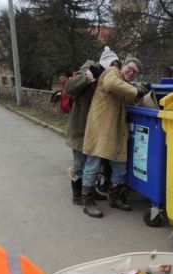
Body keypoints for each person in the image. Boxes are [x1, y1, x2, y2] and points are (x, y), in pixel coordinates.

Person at [81, 57, 148, 218]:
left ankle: (115, 197)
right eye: (130, 68)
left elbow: (130, 98)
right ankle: (88, 202)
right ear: (123, 66)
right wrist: (135, 91)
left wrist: (141, 91)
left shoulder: (125, 83)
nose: (131, 73)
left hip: (117, 132)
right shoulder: (112, 72)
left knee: (120, 167)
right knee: (93, 165)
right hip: (100, 129)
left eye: (135, 72)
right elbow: (112, 84)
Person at [64, 46, 120, 206]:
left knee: (93, 164)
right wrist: (90, 75)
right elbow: (70, 88)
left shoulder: (111, 75)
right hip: (81, 126)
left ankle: (91, 190)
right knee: (80, 164)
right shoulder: (90, 69)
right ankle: (77, 196)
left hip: (97, 128)